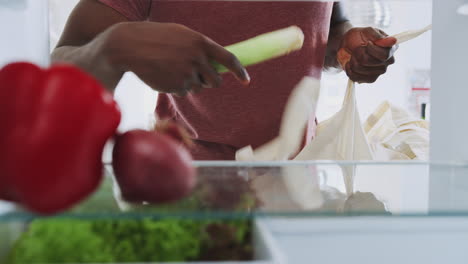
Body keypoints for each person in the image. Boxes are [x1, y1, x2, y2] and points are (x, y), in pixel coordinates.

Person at [52, 0, 396, 160]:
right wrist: (119, 45)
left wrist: (348, 46)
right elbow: (65, 58)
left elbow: (329, 27)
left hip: (294, 182)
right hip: (188, 184)